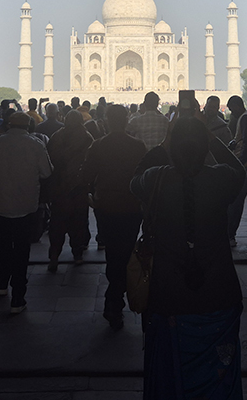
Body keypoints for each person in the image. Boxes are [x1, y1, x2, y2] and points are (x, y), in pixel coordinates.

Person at [130, 118, 245, 400]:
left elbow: (133, 181)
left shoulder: (156, 177)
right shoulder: (220, 179)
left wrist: (164, 144)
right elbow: (240, 172)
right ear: (204, 146)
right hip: (218, 293)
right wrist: (213, 139)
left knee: (170, 376)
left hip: (168, 295)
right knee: (219, 374)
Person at [0, 111, 53, 314]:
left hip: (0, 204)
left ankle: (2, 285)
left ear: (9, 125)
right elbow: (47, 172)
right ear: (28, 126)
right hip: (26, 205)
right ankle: (18, 298)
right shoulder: (36, 144)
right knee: (21, 251)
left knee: (3, 245)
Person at [80, 104, 147, 329]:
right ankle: (117, 300)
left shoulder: (99, 145)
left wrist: (90, 195)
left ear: (107, 120)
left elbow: (87, 175)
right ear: (127, 120)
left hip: (106, 206)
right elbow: (144, 177)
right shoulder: (138, 146)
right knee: (126, 252)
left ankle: (114, 302)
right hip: (131, 206)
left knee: (113, 254)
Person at [45, 110, 94, 271]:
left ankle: (54, 256)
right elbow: (91, 161)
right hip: (78, 186)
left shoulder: (57, 136)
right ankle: (78, 254)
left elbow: (49, 158)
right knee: (78, 221)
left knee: (57, 223)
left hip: (59, 186)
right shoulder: (86, 137)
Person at [225, 95, 247, 247]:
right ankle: (229, 234)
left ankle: (230, 235)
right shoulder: (246, 117)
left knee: (236, 200)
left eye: (232, 109)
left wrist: (240, 163)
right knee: (235, 200)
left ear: (237, 106)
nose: (231, 113)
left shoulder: (245, 118)